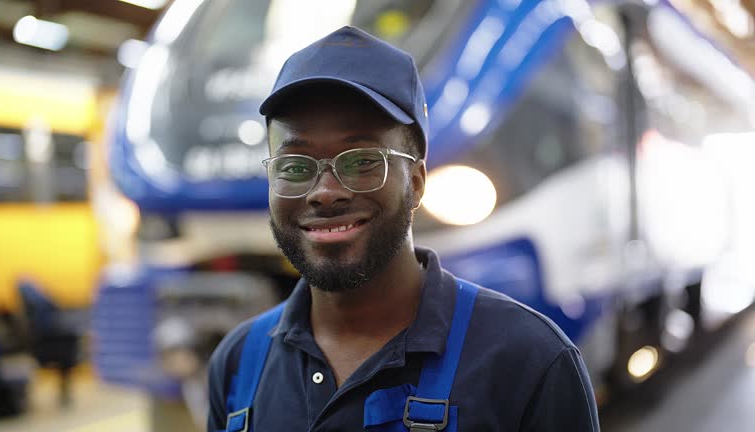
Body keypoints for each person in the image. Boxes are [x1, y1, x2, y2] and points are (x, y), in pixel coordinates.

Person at [207, 26, 600, 432]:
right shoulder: (238, 364)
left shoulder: (530, 362)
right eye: (295, 166)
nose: (324, 193)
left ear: (415, 182)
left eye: (361, 161)